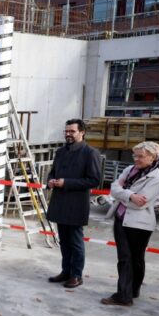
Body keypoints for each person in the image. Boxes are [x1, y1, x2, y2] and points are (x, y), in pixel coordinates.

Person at [101, 141, 159, 307]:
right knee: (125, 258)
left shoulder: (156, 177)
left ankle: (130, 292)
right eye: (134, 155)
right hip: (121, 218)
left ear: (153, 157)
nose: (136, 159)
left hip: (139, 224)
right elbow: (113, 188)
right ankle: (125, 293)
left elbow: (139, 203)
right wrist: (129, 195)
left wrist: (125, 196)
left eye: (141, 156)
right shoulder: (130, 170)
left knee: (136, 259)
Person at [46, 119, 102, 289]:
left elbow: (94, 180)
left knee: (75, 241)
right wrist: (50, 181)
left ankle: (76, 275)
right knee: (63, 240)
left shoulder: (90, 153)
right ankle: (66, 271)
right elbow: (53, 172)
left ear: (82, 132)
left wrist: (66, 183)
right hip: (60, 202)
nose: (68, 134)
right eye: (66, 131)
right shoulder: (61, 152)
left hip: (76, 204)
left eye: (72, 131)